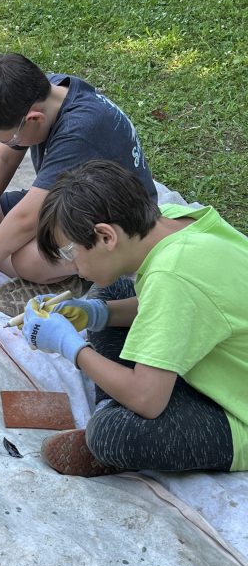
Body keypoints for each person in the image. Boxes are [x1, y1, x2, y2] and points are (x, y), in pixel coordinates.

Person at [19, 160, 248, 477]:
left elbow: (148, 400)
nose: (73, 266)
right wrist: (97, 314)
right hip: (214, 354)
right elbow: (161, 305)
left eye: (70, 253)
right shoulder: (176, 222)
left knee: (112, 433)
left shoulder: (171, 276)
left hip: (237, 412)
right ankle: (116, 395)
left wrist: (71, 347)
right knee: (109, 290)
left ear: (105, 236)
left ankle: (107, 415)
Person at [0, 53, 157, 316]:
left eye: (10, 138)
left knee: (27, 261)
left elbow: (26, 218)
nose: (9, 144)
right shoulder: (46, 92)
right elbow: (5, 158)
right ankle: (53, 266)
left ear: (34, 119)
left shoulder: (81, 129)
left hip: (110, 221)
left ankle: (79, 272)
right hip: (68, 200)